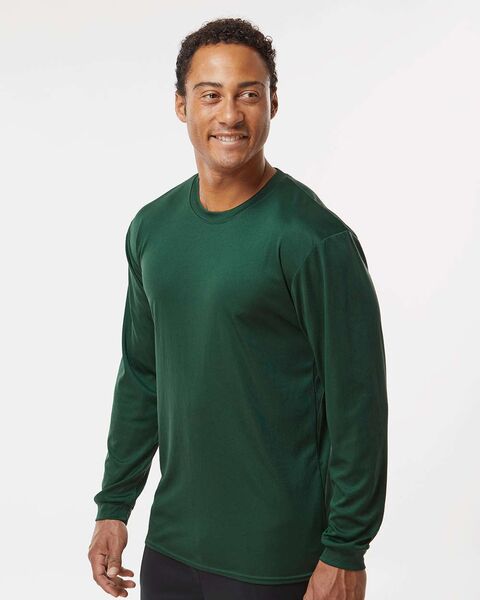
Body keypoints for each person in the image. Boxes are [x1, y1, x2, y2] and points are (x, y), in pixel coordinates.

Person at [87, 17, 388, 600]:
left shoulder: (313, 239)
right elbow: (142, 376)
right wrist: (114, 505)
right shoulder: (151, 229)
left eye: (248, 94)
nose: (230, 114)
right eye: (211, 95)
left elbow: (358, 402)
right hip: (171, 547)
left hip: (277, 558)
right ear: (181, 105)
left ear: (273, 103)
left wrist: (346, 549)